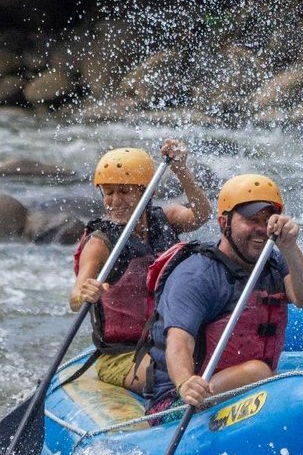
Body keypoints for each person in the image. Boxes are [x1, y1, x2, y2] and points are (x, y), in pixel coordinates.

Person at [143, 173, 303, 414]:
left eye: (267, 219)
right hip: (182, 404)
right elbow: (179, 342)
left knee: (262, 374)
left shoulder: (273, 262)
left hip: (245, 393)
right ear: (223, 223)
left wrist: (290, 248)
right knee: (257, 372)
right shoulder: (197, 275)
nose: (261, 229)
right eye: (251, 219)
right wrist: (185, 382)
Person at [69, 140, 210, 392]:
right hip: (121, 356)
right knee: (171, 374)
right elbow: (75, 298)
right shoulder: (100, 243)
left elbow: (201, 214)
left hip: (169, 341)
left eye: (124, 191)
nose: (114, 201)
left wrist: (181, 170)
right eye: (108, 192)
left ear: (148, 191)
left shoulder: (165, 219)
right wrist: (85, 293)